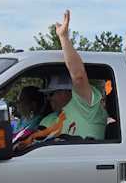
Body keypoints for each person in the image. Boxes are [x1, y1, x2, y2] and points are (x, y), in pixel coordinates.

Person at [30, 11, 108, 143]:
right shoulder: (50, 119)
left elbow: (78, 77)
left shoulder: (88, 108)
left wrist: (63, 37)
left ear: (67, 92)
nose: (49, 99)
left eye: (52, 93)